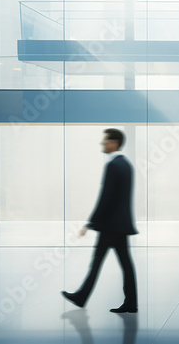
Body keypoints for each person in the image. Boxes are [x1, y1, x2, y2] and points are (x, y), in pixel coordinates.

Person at [63, 128, 139, 313]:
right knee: (126, 265)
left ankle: (81, 297)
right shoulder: (127, 165)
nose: (102, 144)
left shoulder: (112, 166)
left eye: (105, 141)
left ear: (114, 143)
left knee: (96, 263)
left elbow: (106, 197)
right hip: (120, 225)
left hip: (111, 226)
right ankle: (131, 303)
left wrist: (90, 223)